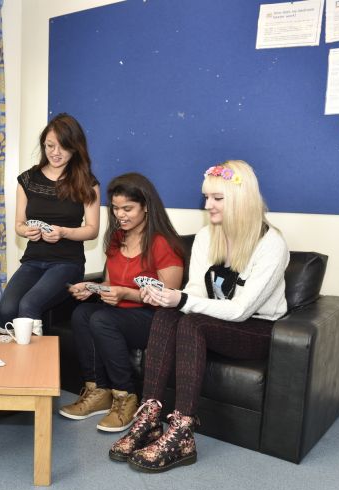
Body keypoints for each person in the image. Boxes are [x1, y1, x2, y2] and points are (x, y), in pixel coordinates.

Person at [110, 160, 289, 473]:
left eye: (217, 199)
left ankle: (181, 432)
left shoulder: (272, 244)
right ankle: (150, 418)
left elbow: (240, 310)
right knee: (167, 315)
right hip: (217, 323)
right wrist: (169, 298)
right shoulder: (208, 236)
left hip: (258, 328)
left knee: (190, 319)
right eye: (207, 197)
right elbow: (195, 290)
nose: (208, 205)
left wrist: (182, 300)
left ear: (241, 200)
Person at [59, 173, 184, 432]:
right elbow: (110, 282)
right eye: (116, 209)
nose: (120, 215)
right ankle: (98, 391)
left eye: (128, 209)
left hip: (154, 317)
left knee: (102, 319)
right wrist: (92, 288)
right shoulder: (117, 238)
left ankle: (126, 397)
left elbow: (169, 296)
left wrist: (126, 294)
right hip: (121, 313)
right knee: (82, 313)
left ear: (146, 206)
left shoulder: (164, 243)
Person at [0, 113, 100, 336]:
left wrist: (64, 232)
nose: (55, 152)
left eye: (62, 147)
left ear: (75, 148)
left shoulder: (87, 183)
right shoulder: (27, 179)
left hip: (67, 263)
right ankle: (11, 365)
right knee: (6, 310)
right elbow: (18, 224)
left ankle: (35, 367)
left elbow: (92, 230)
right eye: (50, 146)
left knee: (29, 305)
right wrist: (26, 231)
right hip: (33, 261)